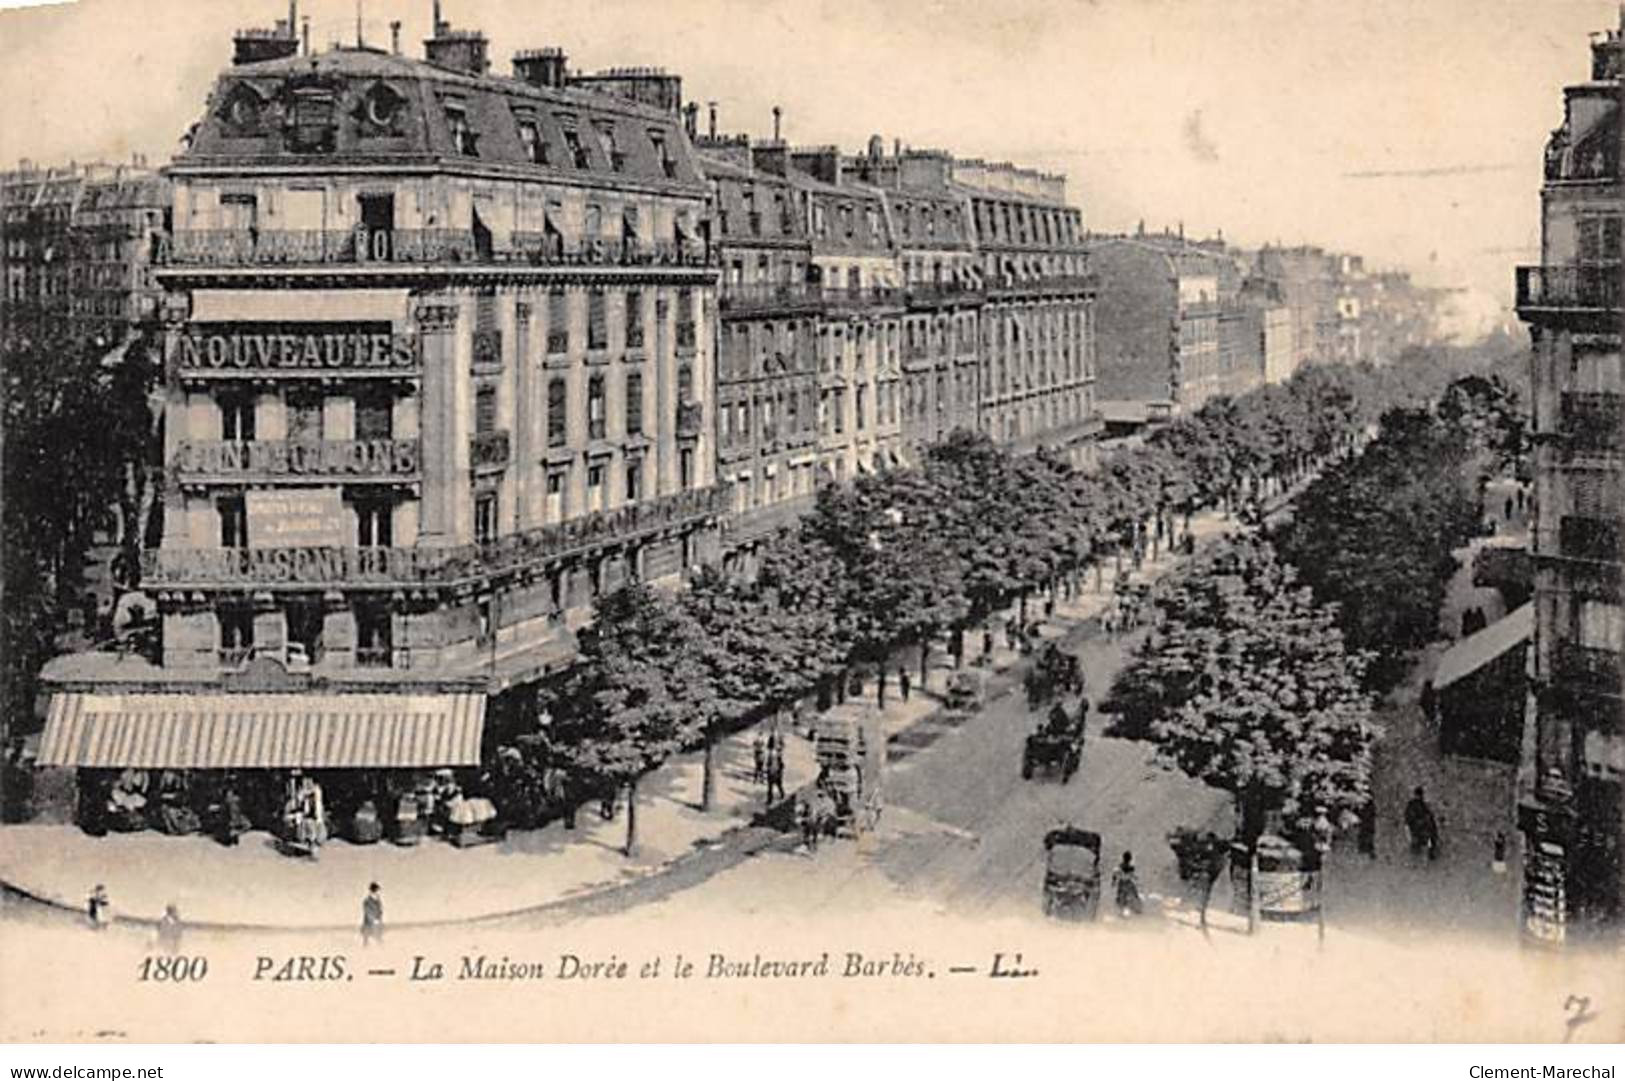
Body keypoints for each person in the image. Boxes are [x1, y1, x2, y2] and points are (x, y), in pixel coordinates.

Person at [1404, 787, 1439, 860]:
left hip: (1424, 830)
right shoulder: (1412, 805)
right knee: (1417, 843)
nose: (1420, 797)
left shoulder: (1423, 805)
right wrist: (1421, 821)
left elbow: (1429, 817)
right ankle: (1416, 856)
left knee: (1430, 839)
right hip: (1416, 830)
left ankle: (1431, 853)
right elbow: (1410, 818)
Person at [1112, 852, 1142, 918]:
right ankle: (1136, 908)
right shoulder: (1130, 867)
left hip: (1122, 883)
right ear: (1130, 859)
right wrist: (1136, 878)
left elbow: (1115, 874)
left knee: (1121, 896)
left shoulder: (1120, 866)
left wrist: (1113, 881)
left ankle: (1122, 909)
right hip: (1127, 883)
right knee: (1134, 894)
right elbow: (1132, 875)